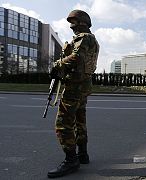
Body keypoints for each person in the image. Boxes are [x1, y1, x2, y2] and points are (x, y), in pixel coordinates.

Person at [47, 10, 99, 178]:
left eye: (74, 23)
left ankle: (71, 161)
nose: (71, 27)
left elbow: (77, 58)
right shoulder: (92, 39)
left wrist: (58, 64)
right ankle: (82, 155)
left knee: (63, 123)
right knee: (79, 120)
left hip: (75, 86)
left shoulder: (83, 37)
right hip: (83, 84)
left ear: (83, 23)